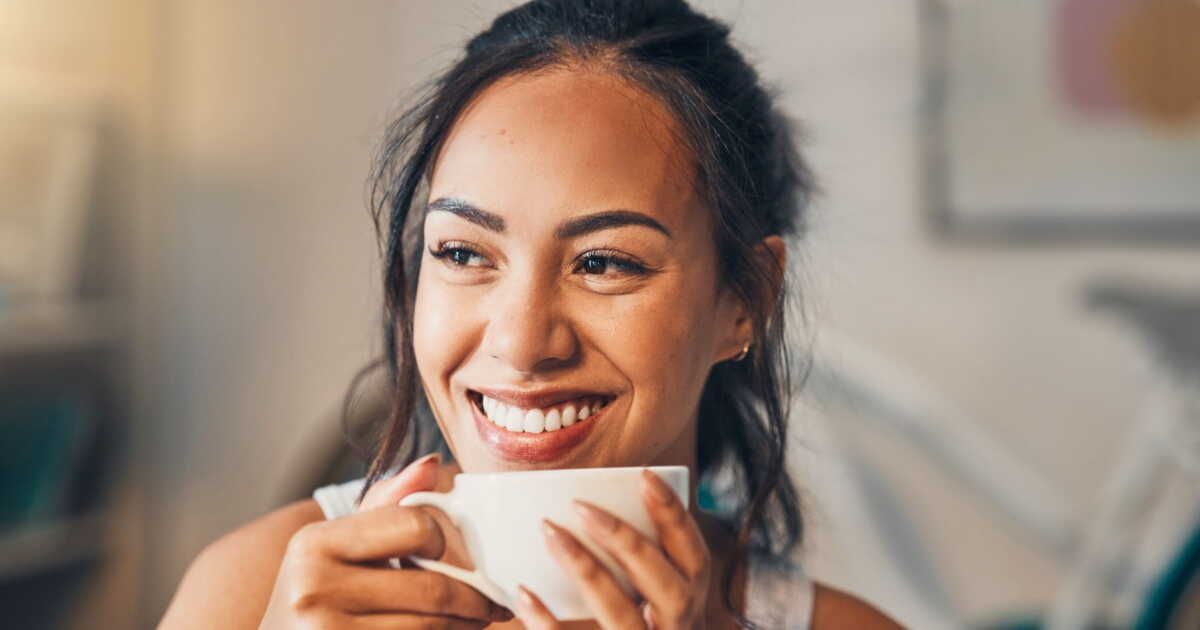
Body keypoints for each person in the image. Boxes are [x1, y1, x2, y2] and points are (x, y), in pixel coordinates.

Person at [161, 1, 902, 628]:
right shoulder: (253, 591)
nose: (520, 344)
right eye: (461, 253)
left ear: (746, 301)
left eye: (605, 263)